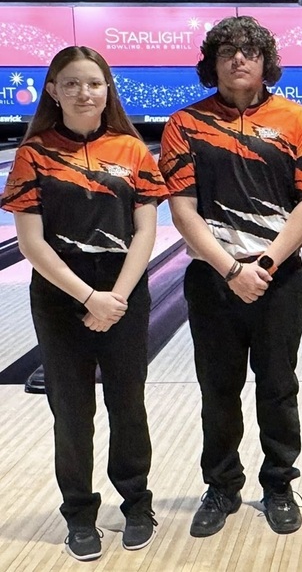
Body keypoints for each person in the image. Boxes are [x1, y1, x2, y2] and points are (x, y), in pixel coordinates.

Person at [0, 46, 166, 561]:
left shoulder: (133, 149)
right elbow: (30, 242)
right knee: (71, 412)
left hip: (123, 290)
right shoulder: (33, 154)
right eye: (70, 83)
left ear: (107, 88)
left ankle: (137, 503)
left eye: (93, 83)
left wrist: (115, 295)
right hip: (60, 295)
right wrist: (88, 296)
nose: (83, 92)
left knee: (127, 404)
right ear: (52, 90)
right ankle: (79, 513)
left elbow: (145, 230)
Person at [160, 16, 302, 537]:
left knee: (278, 387)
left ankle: (278, 484)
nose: (238, 59)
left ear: (264, 61)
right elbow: (182, 210)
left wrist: (266, 265)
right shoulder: (184, 124)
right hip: (213, 280)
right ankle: (222, 485)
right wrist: (231, 269)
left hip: (279, 277)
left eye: (249, 51)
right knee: (218, 389)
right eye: (227, 50)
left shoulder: (298, 121)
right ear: (213, 62)